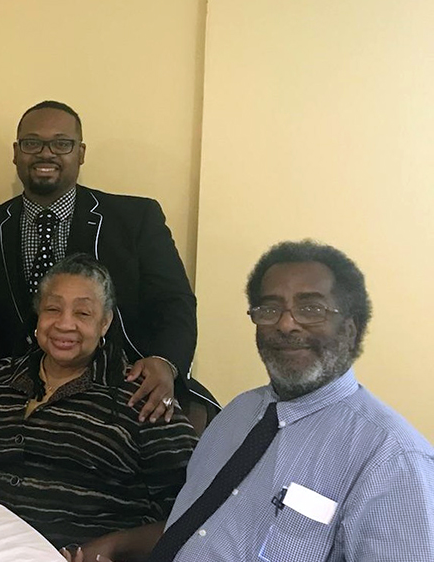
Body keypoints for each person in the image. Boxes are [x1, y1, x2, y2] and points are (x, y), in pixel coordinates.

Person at [141, 240, 434, 562]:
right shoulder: (236, 414)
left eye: (310, 308)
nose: (285, 323)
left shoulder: (393, 458)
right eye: (270, 308)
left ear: (350, 329)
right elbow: (196, 527)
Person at [0, 100, 215, 423]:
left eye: (61, 144)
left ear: (80, 153)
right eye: (32, 143)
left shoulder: (135, 218)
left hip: (121, 393)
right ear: (16, 151)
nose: (46, 153)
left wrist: (166, 362)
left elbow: (174, 301)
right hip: (23, 398)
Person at [0, 254, 198, 555]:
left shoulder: (140, 396)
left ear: (105, 323)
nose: (65, 324)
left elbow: (193, 506)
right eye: (53, 309)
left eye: (83, 313)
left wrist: (116, 549)